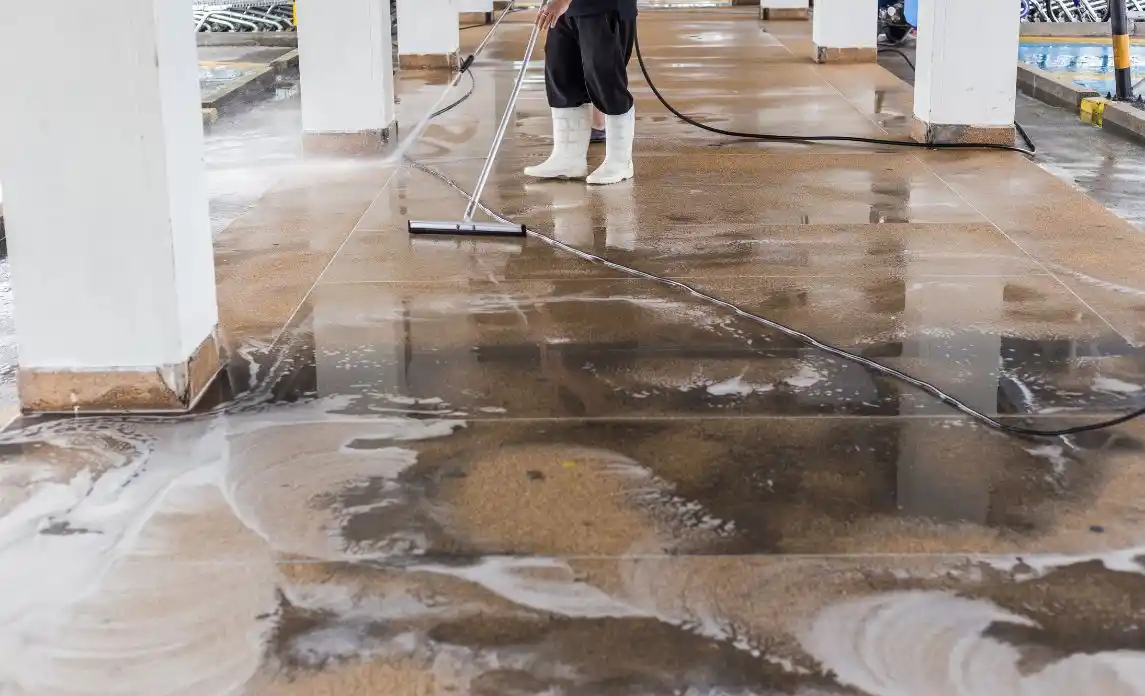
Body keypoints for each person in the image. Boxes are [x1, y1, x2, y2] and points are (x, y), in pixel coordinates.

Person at [523, 0, 637, 185]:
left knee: (605, 79)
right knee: (562, 75)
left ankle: (620, 162)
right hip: (567, 11)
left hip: (603, 8)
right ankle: (567, 159)